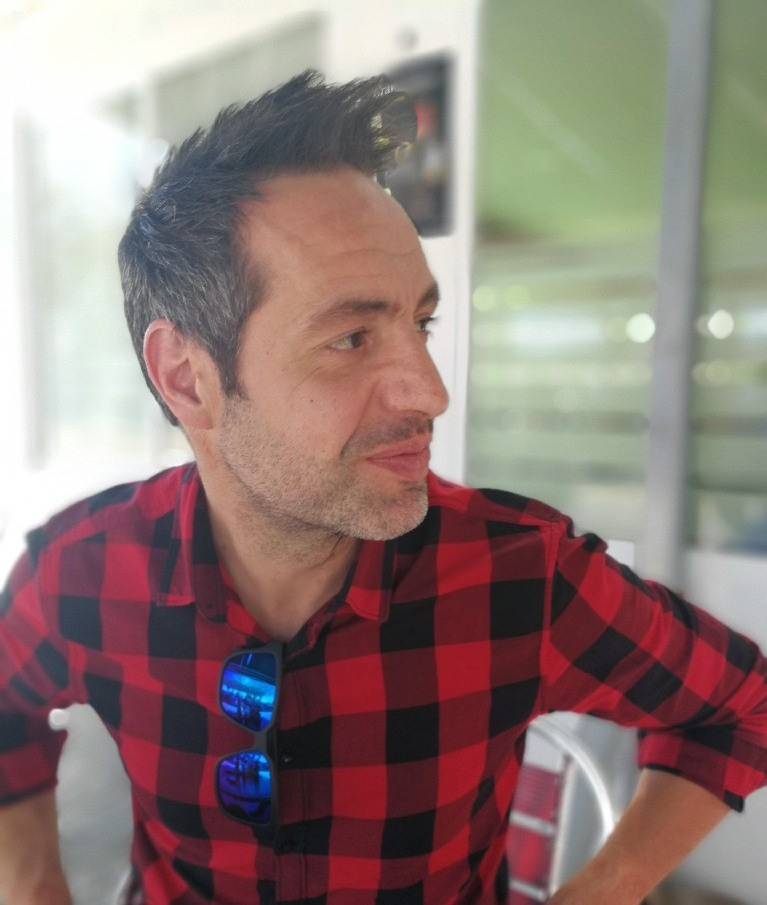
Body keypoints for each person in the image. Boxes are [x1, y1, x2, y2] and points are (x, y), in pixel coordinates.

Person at [0, 70, 765, 905]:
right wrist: (35, 884)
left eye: (419, 323)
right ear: (187, 377)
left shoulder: (518, 576)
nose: (429, 393)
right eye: (351, 339)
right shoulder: (83, 569)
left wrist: (607, 887)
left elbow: (741, 707)